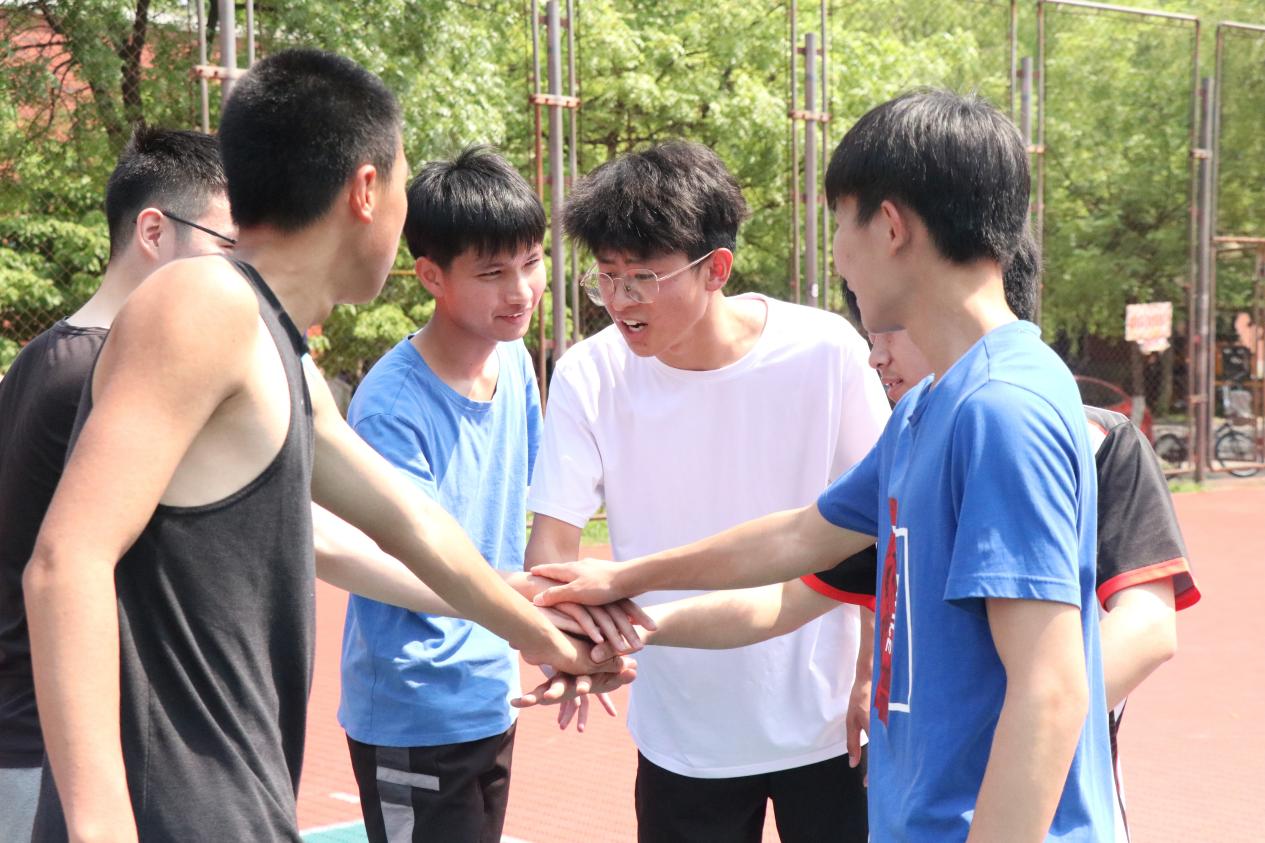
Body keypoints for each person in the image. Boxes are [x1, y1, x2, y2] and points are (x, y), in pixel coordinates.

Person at [24, 49, 623, 842]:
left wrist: (548, 634)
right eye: (404, 182)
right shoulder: (201, 300)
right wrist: (101, 826)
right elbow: (65, 561)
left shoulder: (273, 341)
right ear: (367, 190)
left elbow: (408, 521)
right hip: (168, 805)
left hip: (240, 790)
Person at [532, 89, 1116, 841]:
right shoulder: (929, 406)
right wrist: (623, 579)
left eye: (840, 221)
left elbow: (1050, 688)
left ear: (891, 227)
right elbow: (801, 536)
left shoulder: (1003, 409)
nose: (836, 250)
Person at [524, 139, 890, 842]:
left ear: (715, 268)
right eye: (606, 278)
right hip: (681, 734)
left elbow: (877, 531)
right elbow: (552, 551)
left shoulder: (826, 351)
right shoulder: (588, 373)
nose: (620, 301)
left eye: (642, 278)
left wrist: (871, 673)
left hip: (828, 726)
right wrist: (565, 641)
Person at [335, 146, 640, 842]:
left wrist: (550, 642)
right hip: (414, 711)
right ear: (431, 276)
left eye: (531, 262)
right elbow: (407, 561)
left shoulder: (513, 364)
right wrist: (542, 628)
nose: (522, 290)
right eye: (493, 273)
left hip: (490, 693)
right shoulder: (391, 406)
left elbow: (530, 526)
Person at [854, 238, 1200, 840]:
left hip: (1049, 795)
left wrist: (1015, 728)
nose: (876, 356)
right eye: (871, 334)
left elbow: (1148, 628)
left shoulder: (1094, 439)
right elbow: (822, 566)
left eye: (893, 329)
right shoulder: (906, 441)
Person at [0, 128, 235, 842]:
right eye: (229, 246)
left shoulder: (45, 356)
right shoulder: (105, 376)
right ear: (154, 232)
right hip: (53, 754)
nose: (241, 273)